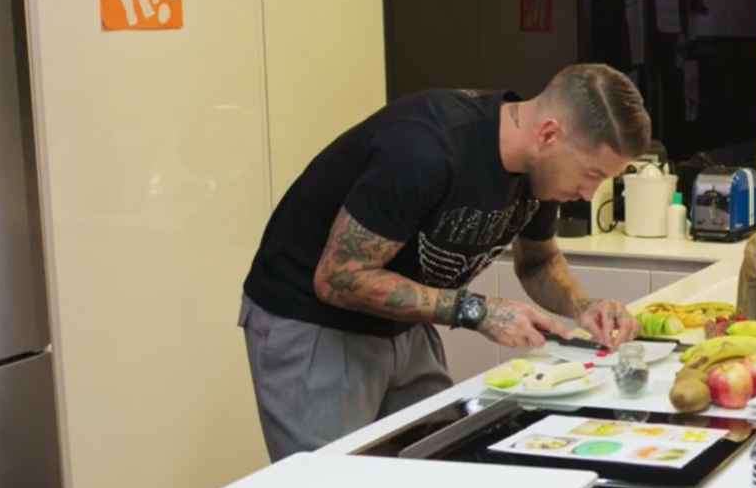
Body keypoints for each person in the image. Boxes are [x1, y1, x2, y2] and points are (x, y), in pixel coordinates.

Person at [240, 64, 648, 461]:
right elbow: (338, 278)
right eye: (591, 174)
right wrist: (477, 310)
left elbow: (538, 262)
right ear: (549, 134)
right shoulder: (424, 149)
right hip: (314, 325)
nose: (588, 194)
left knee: (436, 466)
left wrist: (584, 307)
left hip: (403, 324)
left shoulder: (538, 172)